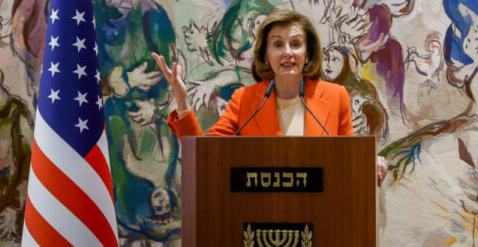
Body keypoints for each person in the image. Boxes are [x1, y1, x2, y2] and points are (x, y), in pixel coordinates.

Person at [155, 9, 389, 184]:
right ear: (266, 55)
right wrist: (182, 102)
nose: (287, 52)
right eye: (278, 44)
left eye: (295, 44)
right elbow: (203, 155)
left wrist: (367, 162)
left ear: (308, 53)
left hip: (319, 217)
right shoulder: (245, 100)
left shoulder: (335, 97)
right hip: (260, 218)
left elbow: (347, 157)